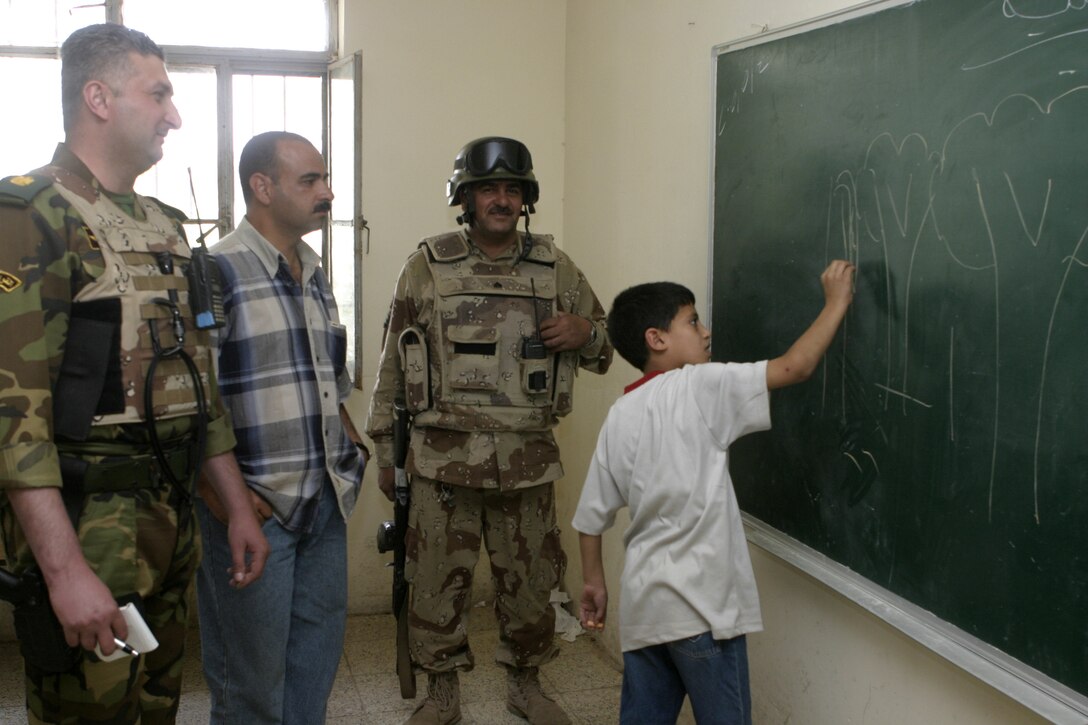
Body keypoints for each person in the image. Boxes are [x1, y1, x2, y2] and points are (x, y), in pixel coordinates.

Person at [0, 23, 268, 723]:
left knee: (154, 706)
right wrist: (63, 572)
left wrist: (235, 505)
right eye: (159, 95)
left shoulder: (165, 226)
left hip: (171, 515)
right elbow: (13, 415)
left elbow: (199, 386)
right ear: (98, 97)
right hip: (89, 522)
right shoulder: (29, 215)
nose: (174, 115)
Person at [365, 136, 613, 725]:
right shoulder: (426, 265)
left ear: (525, 198)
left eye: (511, 189)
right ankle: (442, 694)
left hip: (526, 460)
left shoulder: (557, 268)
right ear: (466, 198)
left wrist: (585, 332)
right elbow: (394, 362)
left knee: (529, 583)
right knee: (433, 585)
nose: (500, 200)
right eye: (487, 190)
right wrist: (383, 451)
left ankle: (525, 686)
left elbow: (604, 349)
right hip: (440, 462)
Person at [573, 261, 856, 725]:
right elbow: (796, 366)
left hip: (645, 611)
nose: (706, 333)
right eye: (692, 321)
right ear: (656, 338)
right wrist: (837, 301)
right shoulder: (700, 386)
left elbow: (590, 517)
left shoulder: (620, 414)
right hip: (704, 612)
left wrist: (593, 583)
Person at [194, 131, 368, 724]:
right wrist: (224, 498)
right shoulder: (215, 271)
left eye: (324, 179)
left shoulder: (315, 273)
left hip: (324, 505)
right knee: (250, 687)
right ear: (261, 187)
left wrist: (352, 455)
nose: (327, 192)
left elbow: (329, 383)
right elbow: (191, 400)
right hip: (253, 512)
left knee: (311, 674)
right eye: (310, 181)